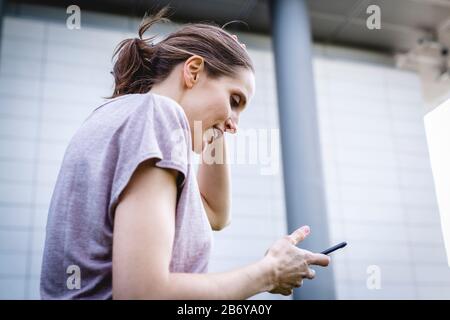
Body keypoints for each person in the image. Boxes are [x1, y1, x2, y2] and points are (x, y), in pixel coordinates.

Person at [40, 7, 330, 300]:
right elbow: (142, 294)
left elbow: (215, 214)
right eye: (235, 99)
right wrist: (269, 273)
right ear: (192, 71)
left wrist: (220, 116)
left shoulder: (118, 117)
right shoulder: (157, 115)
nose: (235, 126)